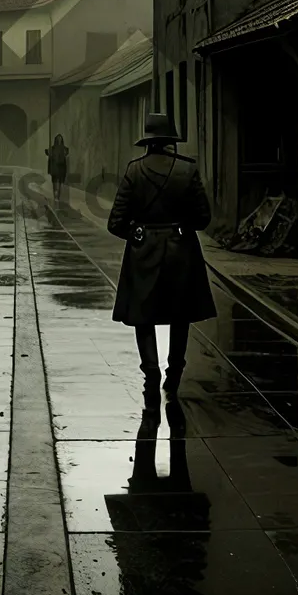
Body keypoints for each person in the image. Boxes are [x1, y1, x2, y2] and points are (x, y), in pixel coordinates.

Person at [107, 112, 216, 406]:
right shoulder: (188, 170)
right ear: (171, 141)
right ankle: (175, 372)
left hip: (144, 250)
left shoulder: (134, 171)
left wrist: (137, 231)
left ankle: (151, 372)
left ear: (147, 141)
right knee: (181, 315)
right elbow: (203, 218)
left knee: (143, 315)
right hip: (181, 249)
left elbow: (116, 222)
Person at [46, 133, 69, 201]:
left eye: (60, 139)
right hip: (56, 169)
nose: (59, 141)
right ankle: (56, 196)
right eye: (58, 139)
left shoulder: (63, 149)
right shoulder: (54, 149)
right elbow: (48, 153)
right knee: (56, 182)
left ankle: (57, 196)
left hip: (59, 169)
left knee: (58, 183)